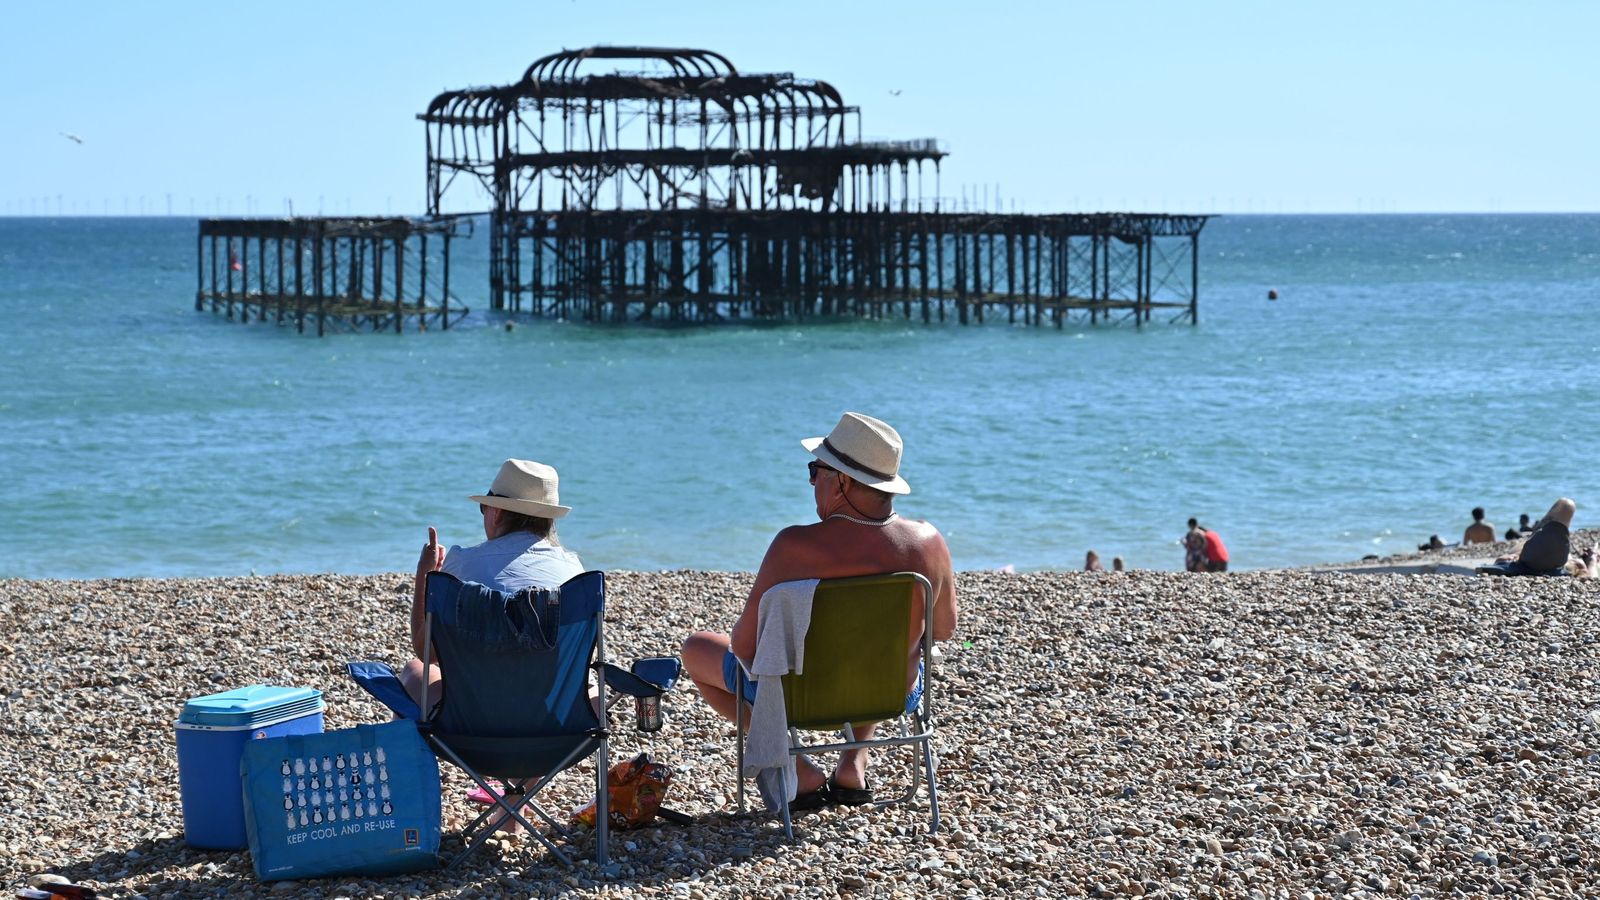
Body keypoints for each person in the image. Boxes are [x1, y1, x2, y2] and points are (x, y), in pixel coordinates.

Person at [682, 412, 957, 809]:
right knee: (879, 649)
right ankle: (853, 763)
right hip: (889, 693)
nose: (812, 482)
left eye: (816, 471)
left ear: (841, 480)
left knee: (696, 648)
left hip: (799, 700)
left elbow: (746, 648)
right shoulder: (929, 542)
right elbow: (944, 629)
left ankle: (800, 770)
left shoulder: (794, 547)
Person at [404, 458, 584, 711]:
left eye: (484, 508)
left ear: (497, 513)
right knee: (591, 686)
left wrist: (424, 575)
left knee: (415, 668)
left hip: (470, 720)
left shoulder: (463, 565)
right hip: (554, 723)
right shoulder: (574, 573)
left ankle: (417, 751)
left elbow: (427, 652)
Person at [1488, 497, 1576, 576]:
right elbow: (1586, 574)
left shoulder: (1509, 561)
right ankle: (1544, 529)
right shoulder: (1572, 565)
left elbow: (1496, 565)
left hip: (1529, 553)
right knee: (1566, 505)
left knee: (1566, 505)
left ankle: (1542, 530)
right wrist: (1590, 561)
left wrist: (1513, 557)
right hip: (1552, 553)